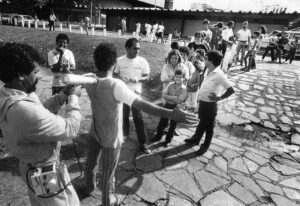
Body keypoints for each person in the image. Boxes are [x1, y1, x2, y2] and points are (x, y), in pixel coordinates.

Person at [84, 42, 198, 206]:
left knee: (91, 163)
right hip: (110, 137)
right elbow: (143, 105)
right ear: (114, 62)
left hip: (94, 131)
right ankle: (107, 201)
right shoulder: (115, 85)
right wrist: (170, 113)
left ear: (96, 61)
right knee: (108, 172)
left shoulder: (89, 80)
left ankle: (88, 187)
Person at [0, 42, 82, 206]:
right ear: (21, 75)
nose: (38, 77)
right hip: (43, 172)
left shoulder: (12, 95)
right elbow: (70, 128)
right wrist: (74, 98)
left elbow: (40, 115)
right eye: (35, 72)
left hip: (33, 166)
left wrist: (62, 95)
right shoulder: (21, 109)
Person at [185, 50, 235, 155]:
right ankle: (196, 139)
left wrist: (219, 97)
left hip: (210, 105)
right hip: (202, 102)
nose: (204, 60)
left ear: (211, 61)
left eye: (206, 59)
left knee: (209, 126)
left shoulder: (219, 74)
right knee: (201, 122)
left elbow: (231, 90)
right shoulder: (207, 70)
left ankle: (205, 145)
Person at [113, 38, 151, 154]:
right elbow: (114, 74)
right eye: (135, 48)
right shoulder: (119, 61)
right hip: (123, 92)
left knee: (138, 118)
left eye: (138, 48)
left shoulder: (142, 61)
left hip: (136, 93)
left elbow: (147, 77)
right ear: (127, 48)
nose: (137, 51)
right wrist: (120, 78)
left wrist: (137, 79)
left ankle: (143, 143)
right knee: (123, 115)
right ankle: (124, 134)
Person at [151, 70, 188, 147]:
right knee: (162, 122)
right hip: (167, 105)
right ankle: (158, 136)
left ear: (184, 78)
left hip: (176, 108)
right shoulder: (170, 84)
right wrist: (174, 97)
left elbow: (178, 101)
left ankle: (168, 140)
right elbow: (164, 95)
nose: (178, 78)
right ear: (174, 77)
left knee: (173, 125)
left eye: (180, 77)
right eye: (176, 76)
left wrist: (169, 98)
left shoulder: (184, 89)